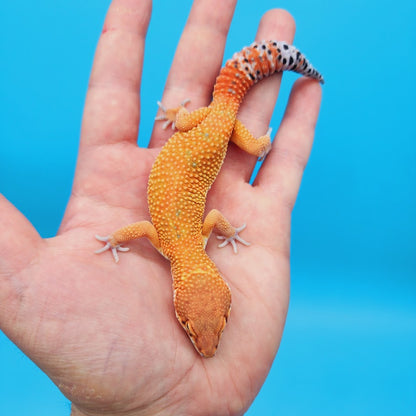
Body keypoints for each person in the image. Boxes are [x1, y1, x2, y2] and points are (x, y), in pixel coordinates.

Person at [0, 0, 322, 414]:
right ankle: (265, 104)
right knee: (253, 138)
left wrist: (122, 238)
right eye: (211, 326)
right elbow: (161, 228)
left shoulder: (183, 243)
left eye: (198, 327)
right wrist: (119, 239)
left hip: (210, 123)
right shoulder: (173, 244)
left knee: (255, 144)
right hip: (216, 125)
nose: (205, 341)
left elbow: (209, 221)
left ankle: (264, 107)